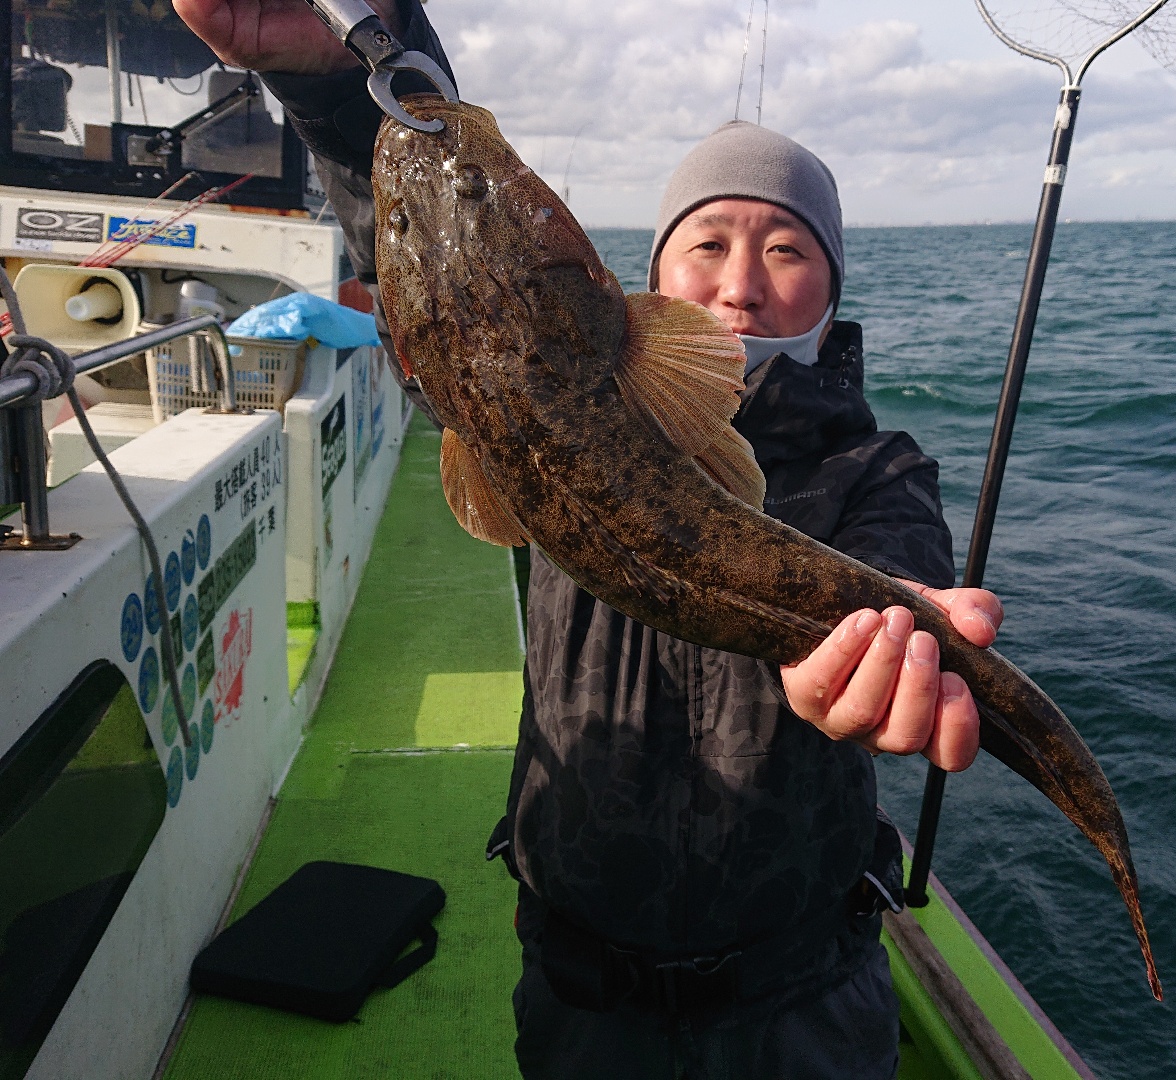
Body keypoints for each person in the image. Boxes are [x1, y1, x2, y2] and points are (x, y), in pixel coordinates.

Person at [176, 3, 1006, 1076]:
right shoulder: (513, 395)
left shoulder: (874, 468)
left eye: (787, 248)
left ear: (835, 286)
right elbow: (446, 247)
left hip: (801, 990)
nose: (741, 281)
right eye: (706, 242)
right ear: (645, 288)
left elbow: (903, 575)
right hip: (582, 985)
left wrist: (892, 640)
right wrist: (345, 78)